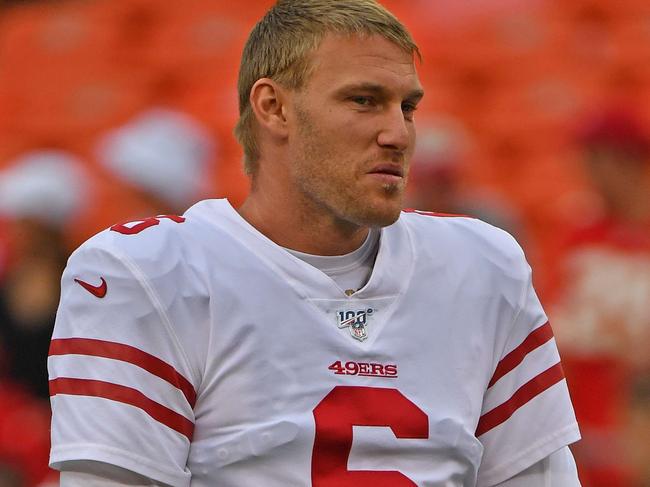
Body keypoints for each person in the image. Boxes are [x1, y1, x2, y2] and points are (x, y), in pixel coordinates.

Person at [48, 1, 582, 485]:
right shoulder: (146, 273)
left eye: (407, 108)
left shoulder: (484, 265)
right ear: (274, 108)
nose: (398, 133)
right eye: (364, 101)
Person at [548, 108, 650, 486]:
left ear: (628, 160)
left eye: (597, 158)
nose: (588, 170)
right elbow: (556, 322)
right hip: (588, 426)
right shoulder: (577, 232)